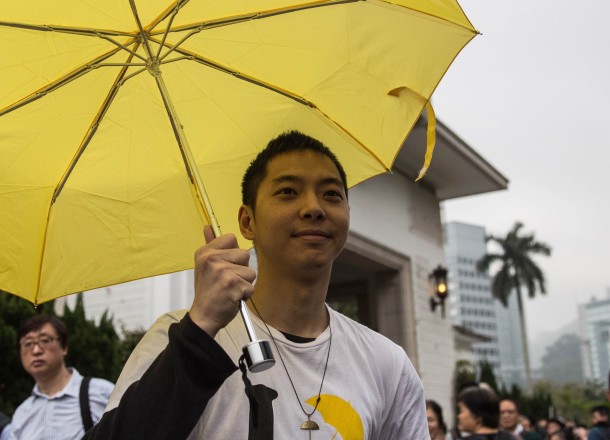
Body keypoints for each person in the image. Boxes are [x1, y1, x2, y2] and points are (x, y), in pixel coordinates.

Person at [86, 131, 429, 438]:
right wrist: (201, 327)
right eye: (288, 192)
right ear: (247, 221)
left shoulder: (387, 364)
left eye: (331, 194)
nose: (313, 207)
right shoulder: (178, 337)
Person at [10, 314, 114, 440]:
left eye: (45, 341)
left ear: (64, 347)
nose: (36, 350)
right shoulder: (22, 413)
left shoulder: (100, 392)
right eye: (28, 344)